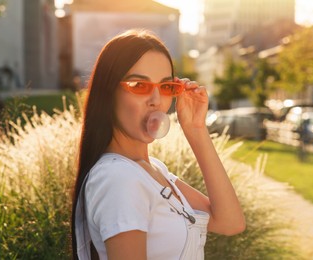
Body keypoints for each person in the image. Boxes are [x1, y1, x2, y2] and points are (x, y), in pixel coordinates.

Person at [71, 29, 245, 260]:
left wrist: (196, 129)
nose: (155, 100)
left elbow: (230, 222)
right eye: (139, 86)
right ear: (108, 92)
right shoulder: (118, 178)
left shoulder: (153, 169)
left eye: (165, 87)